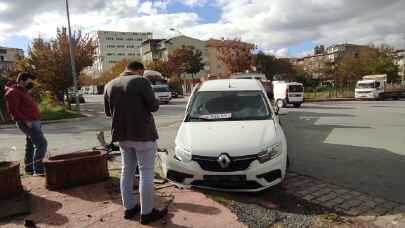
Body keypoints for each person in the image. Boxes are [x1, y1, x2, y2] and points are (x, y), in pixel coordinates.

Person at [104, 61, 167, 224]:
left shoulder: (109, 84)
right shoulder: (141, 81)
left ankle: (129, 208)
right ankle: (146, 213)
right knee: (146, 172)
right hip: (143, 134)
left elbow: (108, 113)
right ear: (140, 70)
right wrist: (156, 100)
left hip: (122, 136)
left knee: (127, 171)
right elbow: (153, 107)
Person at [4, 72, 48, 176]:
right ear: (21, 81)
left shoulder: (24, 91)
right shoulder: (13, 92)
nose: (31, 83)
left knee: (31, 145)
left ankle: (29, 169)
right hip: (28, 122)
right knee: (42, 144)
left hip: (34, 121)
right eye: (29, 82)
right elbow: (13, 110)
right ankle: (39, 170)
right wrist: (25, 121)